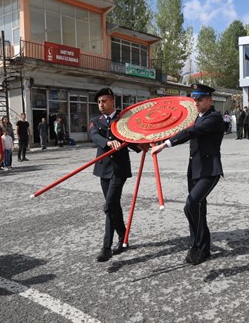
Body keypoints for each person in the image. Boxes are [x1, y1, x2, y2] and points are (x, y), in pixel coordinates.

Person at [151, 84, 224, 265]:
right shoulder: (198, 117)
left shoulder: (214, 118)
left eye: (199, 99)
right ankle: (200, 247)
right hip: (195, 170)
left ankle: (198, 244)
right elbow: (179, 126)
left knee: (191, 205)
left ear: (209, 100)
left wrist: (164, 144)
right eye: (194, 99)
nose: (196, 103)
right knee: (198, 208)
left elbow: (190, 132)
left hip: (209, 171)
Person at [89, 87, 145, 262]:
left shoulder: (124, 119)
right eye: (98, 102)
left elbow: (130, 139)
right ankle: (123, 236)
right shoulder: (95, 121)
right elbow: (94, 136)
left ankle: (106, 248)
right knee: (113, 206)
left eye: (104, 101)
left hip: (119, 169)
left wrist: (140, 146)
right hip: (103, 168)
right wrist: (108, 142)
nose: (101, 105)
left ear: (112, 101)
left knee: (109, 206)